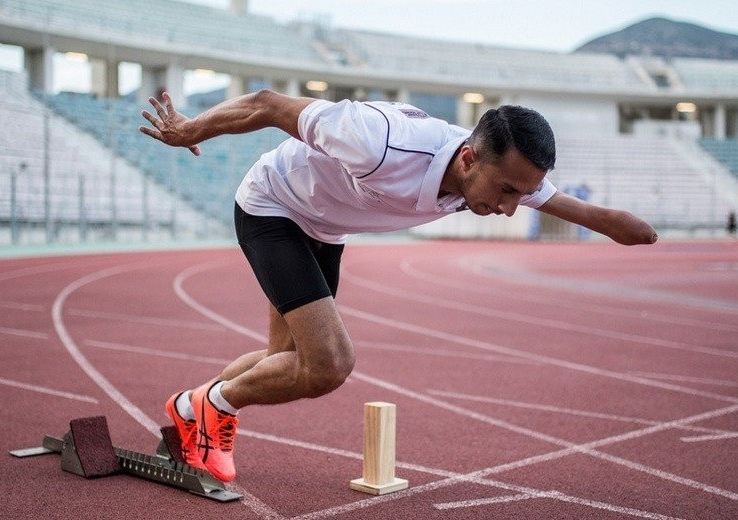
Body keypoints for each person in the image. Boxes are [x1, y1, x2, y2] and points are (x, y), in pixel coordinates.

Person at [139, 89, 657, 482]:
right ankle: (208, 408)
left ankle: (193, 406)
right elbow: (268, 104)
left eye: (519, 197)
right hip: (273, 207)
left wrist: (627, 230)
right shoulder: (379, 141)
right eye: (504, 192)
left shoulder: (509, 173)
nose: (507, 208)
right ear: (470, 159)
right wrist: (192, 130)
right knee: (329, 364)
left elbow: (586, 211)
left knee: (287, 358)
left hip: (324, 226)